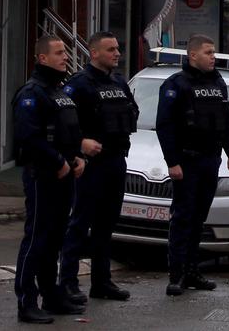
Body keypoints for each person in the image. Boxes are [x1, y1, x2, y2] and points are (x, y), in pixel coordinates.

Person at [58, 32, 138, 305]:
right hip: (90, 165)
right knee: (79, 224)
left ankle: (101, 282)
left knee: (106, 226)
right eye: (110, 49)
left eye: (117, 48)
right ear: (94, 53)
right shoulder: (79, 84)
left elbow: (131, 113)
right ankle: (67, 283)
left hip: (116, 161)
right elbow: (62, 123)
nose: (117, 53)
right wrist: (80, 143)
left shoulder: (119, 82)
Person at [157, 34, 229, 296]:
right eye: (208, 52)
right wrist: (172, 162)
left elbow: (226, 120)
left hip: (210, 160)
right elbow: (165, 126)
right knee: (182, 218)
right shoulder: (176, 85)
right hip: (187, 161)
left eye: (214, 52)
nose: (213, 56)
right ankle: (176, 275)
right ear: (193, 55)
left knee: (199, 219)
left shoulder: (217, 82)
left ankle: (193, 272)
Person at [13, 36, 85, 324]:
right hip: (43, 176)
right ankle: (26, 302)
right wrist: (57, 162)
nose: (64, 57)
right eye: (57, 53)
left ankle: (52, 296)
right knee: (36, 239)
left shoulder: (59, 91)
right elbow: (29, 137)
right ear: (42, 58)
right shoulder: (32, 93)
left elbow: (69, 130)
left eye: (65, 52)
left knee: (55, 238)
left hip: (65, 175)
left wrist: (77, 156)